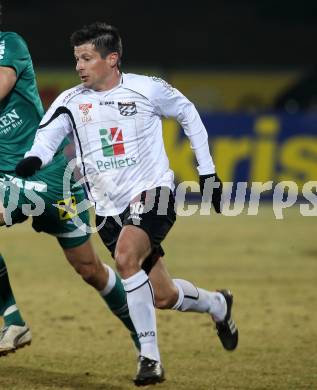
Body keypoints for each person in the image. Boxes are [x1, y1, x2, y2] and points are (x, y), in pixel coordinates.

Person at [17, 22, 239, 386]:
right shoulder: (71, 101)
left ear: (112, 59)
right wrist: (33, 162)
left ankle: (149, 358)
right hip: (105, 208)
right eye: (77, 59)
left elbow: (188, 113)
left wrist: (208, 172)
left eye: (87, 58)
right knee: (163, 296)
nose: (79, 67)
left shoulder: (146, 88)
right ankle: (218, 304)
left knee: (124, 259)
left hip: (153, 193)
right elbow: (46, 139)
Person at [0, 4, 139, 357]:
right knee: (88, 268)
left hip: (46, 174)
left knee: (91, 268)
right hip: (9, 180)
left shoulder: (9, 44)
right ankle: (13, 318)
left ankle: (145, 339)